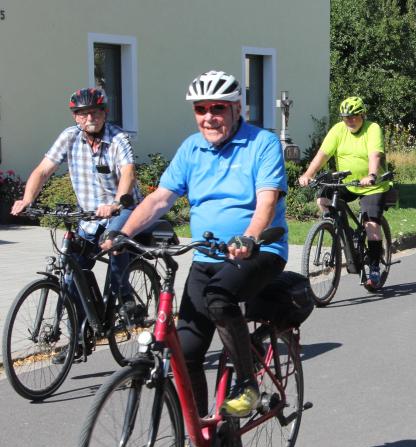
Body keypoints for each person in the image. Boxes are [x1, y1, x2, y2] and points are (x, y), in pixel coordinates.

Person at [102, 70, 290, 418]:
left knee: (220, 298)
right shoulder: (191, 148)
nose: (208, 117)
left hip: (259, 251)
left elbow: (266, 202)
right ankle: (204, 432)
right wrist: (123, 232)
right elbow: (160, 199)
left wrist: (248, 237)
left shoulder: (261, 143)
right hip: (207, 257)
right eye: (200, 109)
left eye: (217, 108)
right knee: (185, 352)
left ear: (237, 108)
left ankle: (248, 384)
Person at [10, 87, 142, 362]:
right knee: (72, 271)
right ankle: (79, 340)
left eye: (95, 111)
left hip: (123, 208)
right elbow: (43, 170)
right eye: (82, 114)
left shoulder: (118, 138)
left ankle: (126, 298)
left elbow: (128, 173)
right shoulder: (69, 137)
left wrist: (117, 202)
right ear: (76, 118)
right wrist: (27, 199)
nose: (89, 117)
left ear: (105, 112)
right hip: (89, 215)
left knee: (113, 240)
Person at [298, 96, 392, 288]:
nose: (349, 120)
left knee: (371, 224)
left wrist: (372, 174)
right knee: (323, 199)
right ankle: (345, 233)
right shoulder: (338, 130)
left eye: (353, 117)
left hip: (371, 185)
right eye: (345, 117)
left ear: (362, 115)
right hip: (347, 183)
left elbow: (375, 154)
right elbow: (323, 154)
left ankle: (374, 267)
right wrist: (308, 173)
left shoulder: (372, 128)